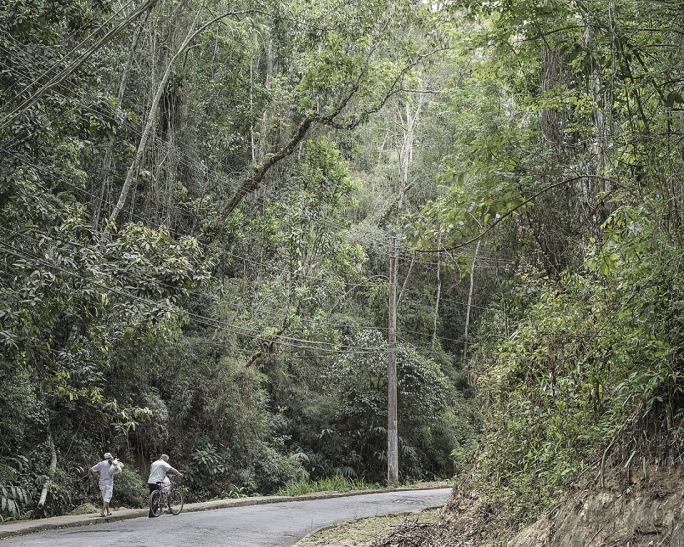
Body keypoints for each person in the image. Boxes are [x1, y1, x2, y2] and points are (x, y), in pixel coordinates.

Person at [90, 452, 120, 517]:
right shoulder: (113, 463)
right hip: (109, 483)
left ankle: (108, 511)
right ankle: (102, 511)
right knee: (107, 497)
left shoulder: (101, 463)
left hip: (101, 483)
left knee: (105, 498)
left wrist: (97, 475)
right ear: (110, 457)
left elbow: (92, 469)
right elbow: (118, 470)